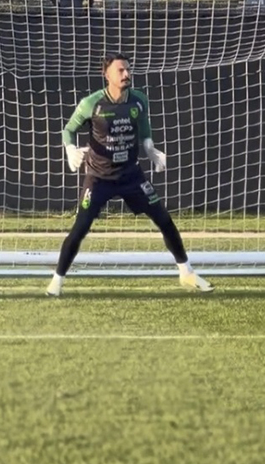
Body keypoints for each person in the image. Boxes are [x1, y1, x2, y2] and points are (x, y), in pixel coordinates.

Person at [46, 54, 213, 297]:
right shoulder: (91, 104)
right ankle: (56, 282)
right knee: (81, 227)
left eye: (128, 70)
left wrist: (150, 149)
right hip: (99, 177)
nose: (126, 75)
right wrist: (70, 149)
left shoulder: (138, 101)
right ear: (107, 75)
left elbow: (144, 131)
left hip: (131, 176)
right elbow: (69, 129)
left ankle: (186, 272)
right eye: (121, 71)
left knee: (164, 219)